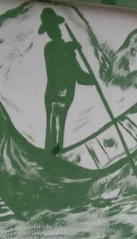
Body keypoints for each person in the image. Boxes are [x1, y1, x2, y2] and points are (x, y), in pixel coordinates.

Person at [38, 8, 95, 153]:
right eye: (51, 28)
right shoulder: (51, 48)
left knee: (58, 127)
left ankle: (54, 157)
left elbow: (77, 72)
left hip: (64, 95)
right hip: (56, 95)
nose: (55, 30)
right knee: (54, 128)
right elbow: (67, 69)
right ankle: (51, 159)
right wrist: (69, 49)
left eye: (55, 26)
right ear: (49, 32)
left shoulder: (64, 48)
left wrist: (92, 79)